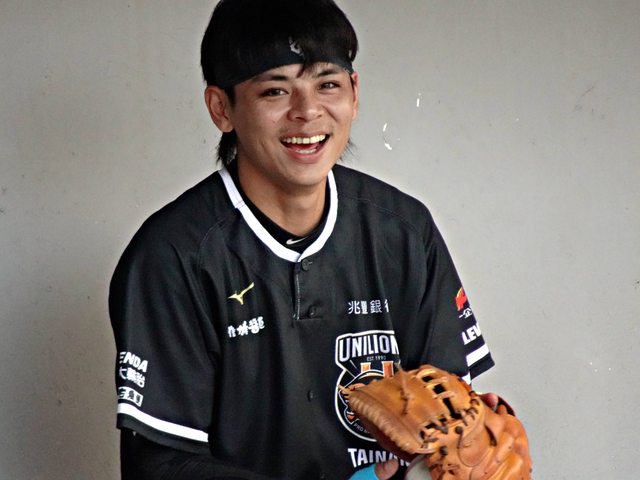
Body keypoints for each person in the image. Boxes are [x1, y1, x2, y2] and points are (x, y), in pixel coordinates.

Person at [109, 0, 495, 478]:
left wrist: (472, 437)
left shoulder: (404, 230)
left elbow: (449, 412)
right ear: (222, 108)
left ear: (355, 93)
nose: (308, 112)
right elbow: (160, 466)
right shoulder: (173, 255)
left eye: (327, 84)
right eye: (275, 91)